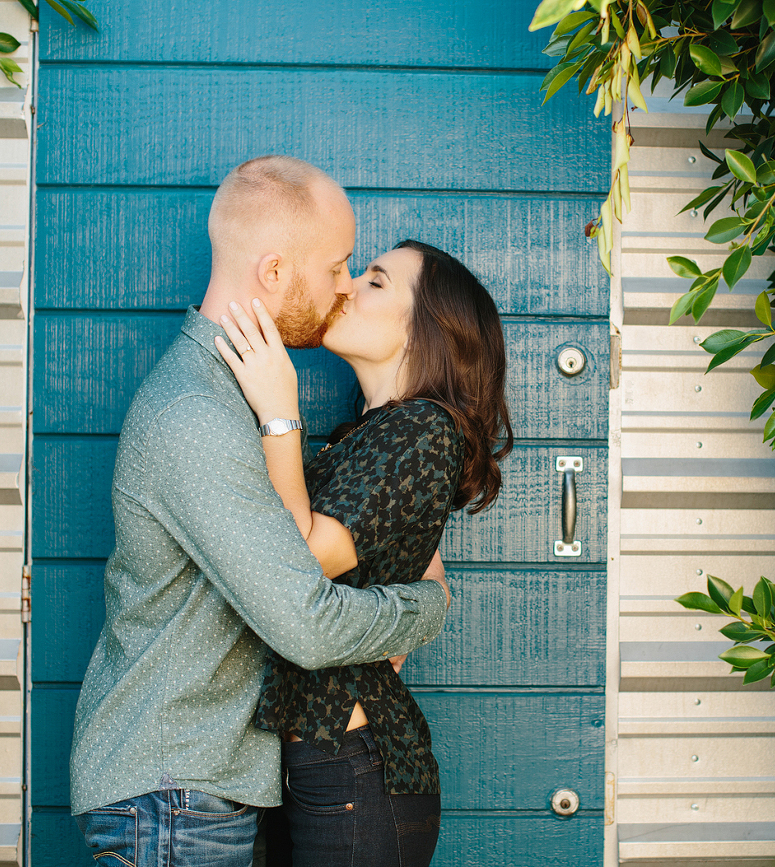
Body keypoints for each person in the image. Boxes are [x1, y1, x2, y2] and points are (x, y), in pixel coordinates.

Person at [69, 157, 452, 867]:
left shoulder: (229, 393)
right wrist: (424, 607)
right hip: (173, 789)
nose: (344, 286)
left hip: (198, 784)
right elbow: (306, 624)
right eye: (338, 266)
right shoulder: (198, 414)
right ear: (274, 272)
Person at [215, 239, 512, 867]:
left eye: (376, 282)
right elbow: (415, 564)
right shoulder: (379, 433)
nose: (347, 287)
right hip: (320, 764)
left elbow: (297, 563)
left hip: (356, 770)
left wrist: (277, 410)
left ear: (428, 328)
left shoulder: (423, 429)